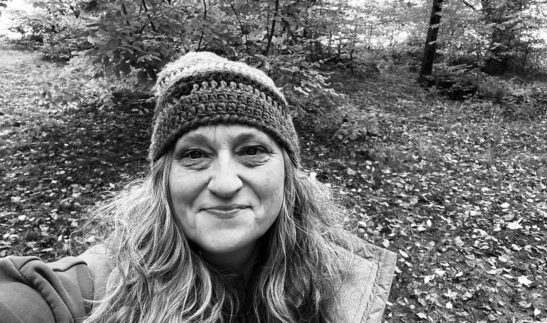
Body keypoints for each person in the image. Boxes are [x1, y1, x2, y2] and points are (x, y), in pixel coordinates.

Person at [0, 51, 396, 322]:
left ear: (288, 172)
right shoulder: (94, 289)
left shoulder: (339, 281)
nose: (224, 183)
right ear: (164, 178)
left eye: (253, 150)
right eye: (193, 155)